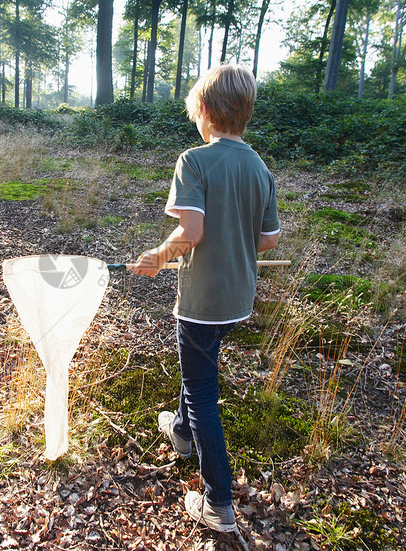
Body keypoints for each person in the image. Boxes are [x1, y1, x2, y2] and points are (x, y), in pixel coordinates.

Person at [132, 63, 280, 533]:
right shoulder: (260, 167)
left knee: (202, 391)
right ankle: (180, 431)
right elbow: (269, 240)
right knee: (198, 367)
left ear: (207, 112)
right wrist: (234, 242)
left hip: (203, 300)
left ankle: (218, 502)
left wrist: (158, 255)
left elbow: (191, 231)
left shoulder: (194, 160)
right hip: (238, 299)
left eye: (196, 110)